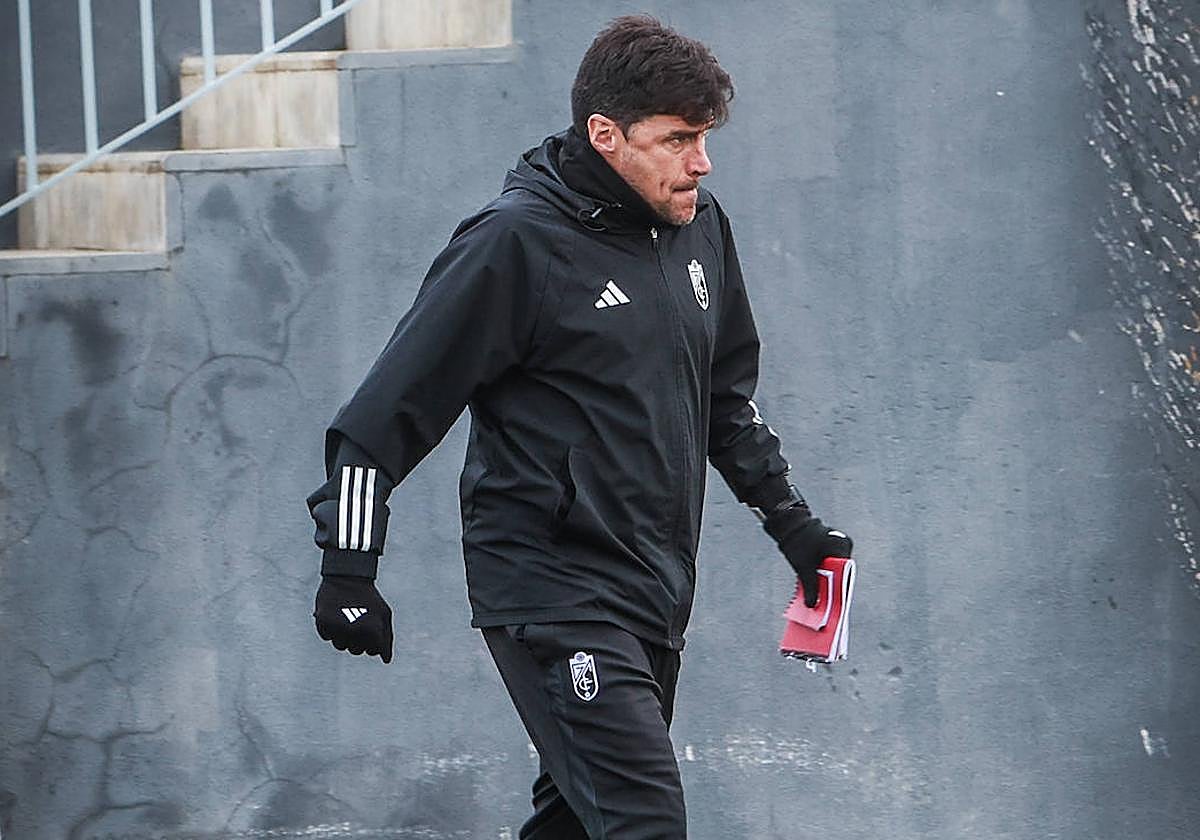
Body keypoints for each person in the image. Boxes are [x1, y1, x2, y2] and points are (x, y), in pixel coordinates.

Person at [306, 15, 853, 839]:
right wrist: (349, 568)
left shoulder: (699, 230)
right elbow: (386, 411)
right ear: (605, 134)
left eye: (704, 137)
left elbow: (722, 403)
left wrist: (798, 530)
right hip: (551, 591)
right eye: (676, 139)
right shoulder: (516, 243)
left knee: (575, 826)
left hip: (654, 594)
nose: (700, 161)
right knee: (644, 822)